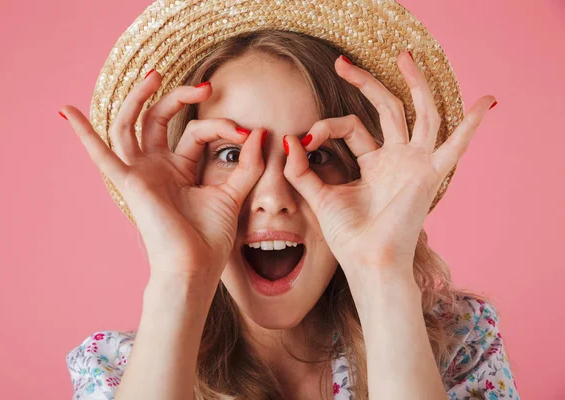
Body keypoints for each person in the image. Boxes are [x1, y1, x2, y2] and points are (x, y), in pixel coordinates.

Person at [60, 4, 520, 400]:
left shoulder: (460, 344)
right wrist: (181, 278)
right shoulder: (118, 372)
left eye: (316, 155)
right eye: (231, 154)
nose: (273, 198)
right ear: (189, 174)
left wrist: (382, 274)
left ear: (363, 173)